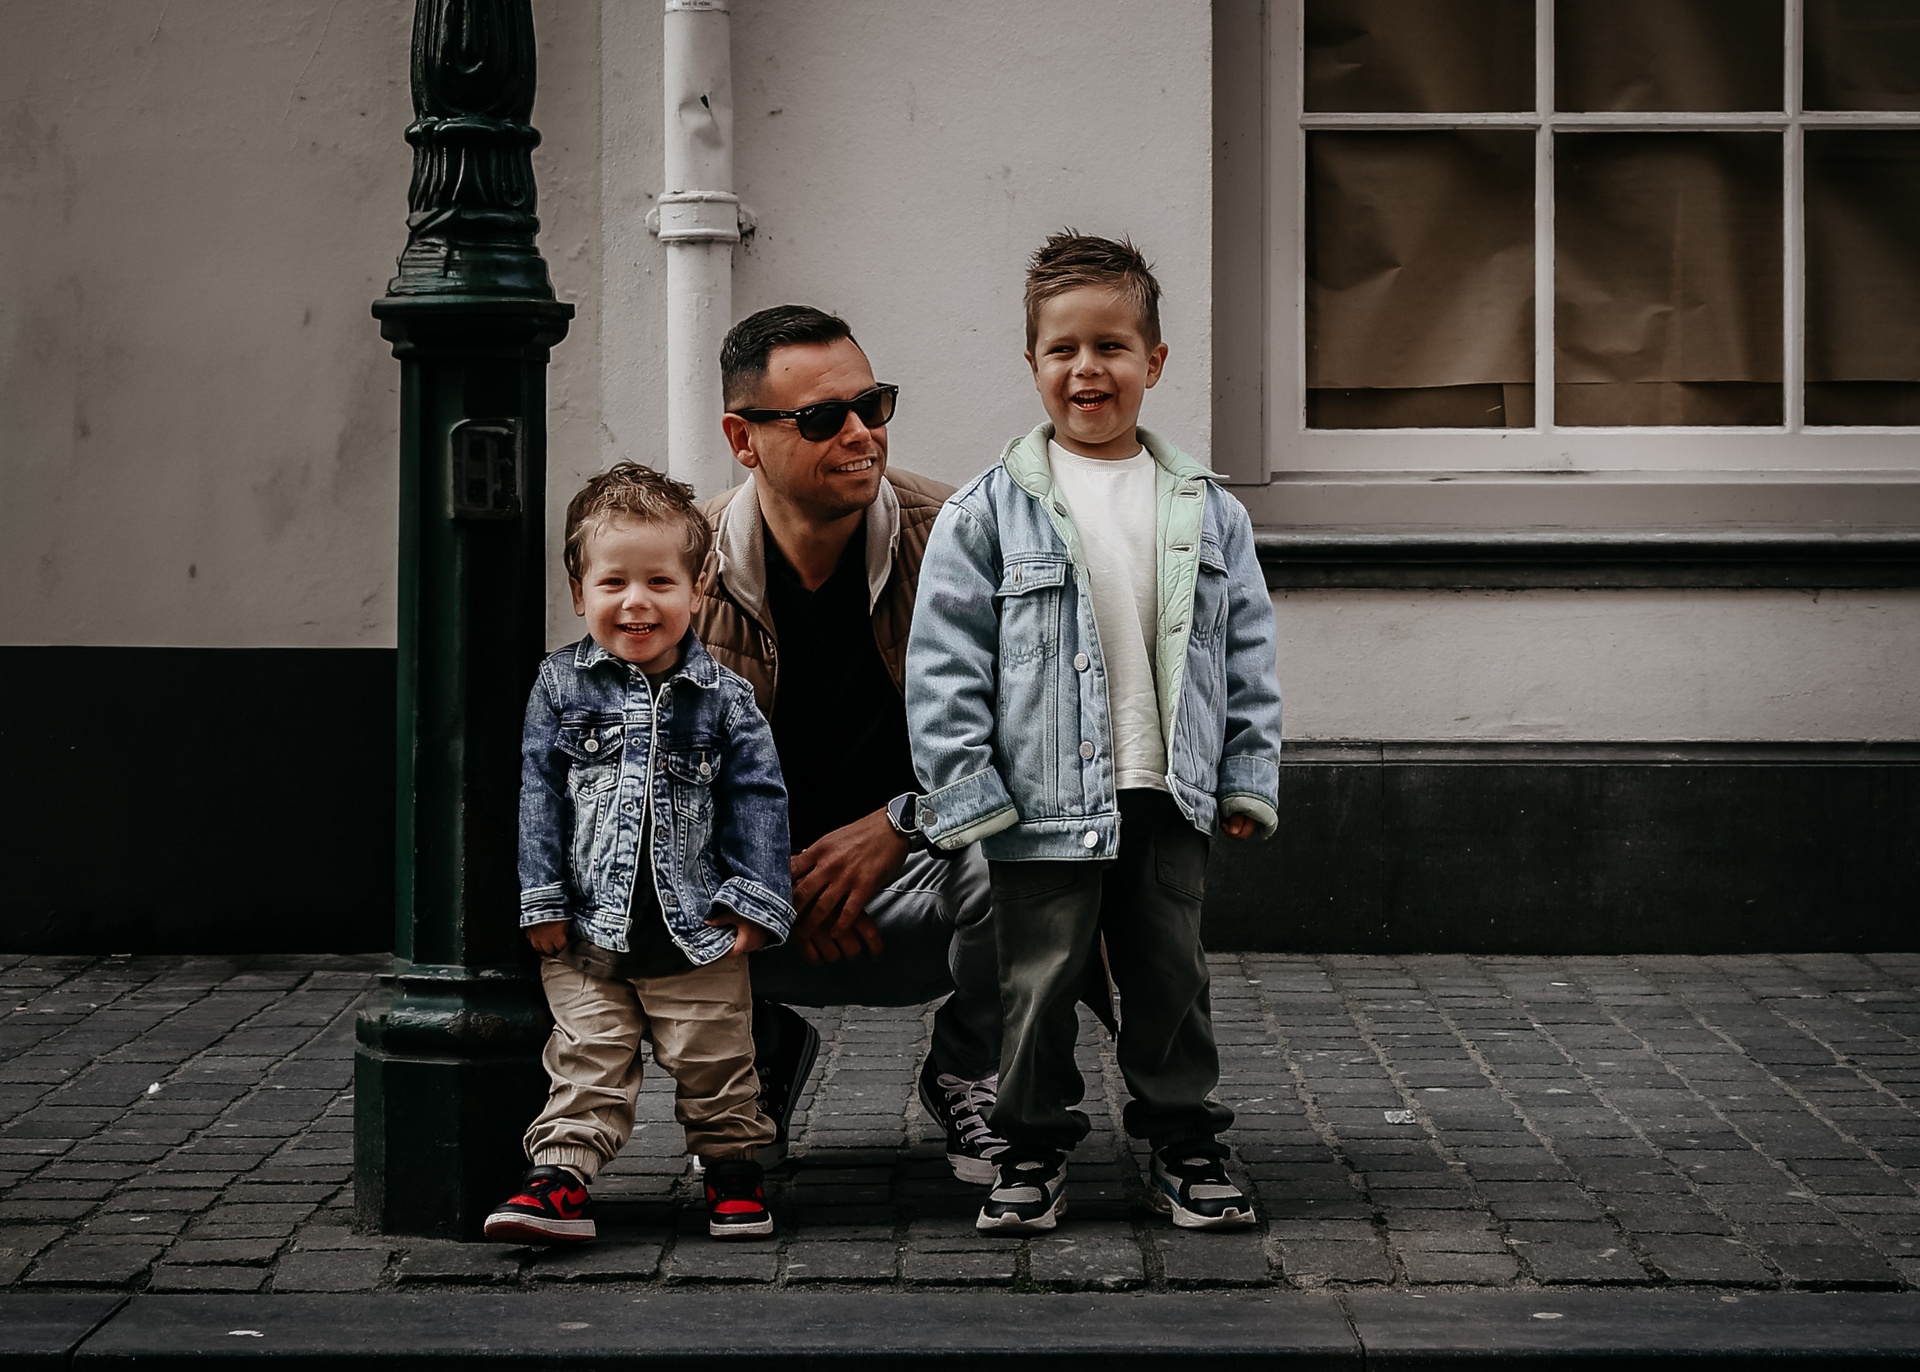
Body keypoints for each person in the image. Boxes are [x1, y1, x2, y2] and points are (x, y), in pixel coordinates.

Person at [905, 232, 1285, 1234]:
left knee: (1169, 972)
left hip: (1166, 790)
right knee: (1035, 981)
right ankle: (1029, 1144)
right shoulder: (986, 512)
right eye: (1064, 349)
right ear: (1032, 363)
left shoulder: (1207, 512)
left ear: (1153, 361)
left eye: (1112, 346)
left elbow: (1247, 652)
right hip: (1034, 798)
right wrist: (967, 790)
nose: (1088, 369)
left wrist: (1248, 777)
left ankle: (1183, 1135)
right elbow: (942, 666)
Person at [693, 305, 1009, 1184]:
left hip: (918, 883)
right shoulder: (683, 566)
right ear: (743, 438)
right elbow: (638, 775)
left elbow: (1033, 747)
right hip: (753, 906)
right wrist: (762, 879)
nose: (862, 435)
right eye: (824, 418)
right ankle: (754, 1054)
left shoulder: (955, 536)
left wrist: (900, 826)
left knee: (1036, 846)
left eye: (874, 405)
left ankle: (972, 1075)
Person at [484, 464, 794, 1245]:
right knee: (587, 1058)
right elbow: (539, 795)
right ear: (579, 589)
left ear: (699, 589)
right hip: (589, 930)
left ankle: (732, 1173)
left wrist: (753, 900)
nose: (636, 602)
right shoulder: (559, 686)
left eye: (660, 580)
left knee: (718, 1063)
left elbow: (758, 800)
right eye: (613, 582)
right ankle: (559, 1180)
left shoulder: (726, 698)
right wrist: (542, 899)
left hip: (699, 932)